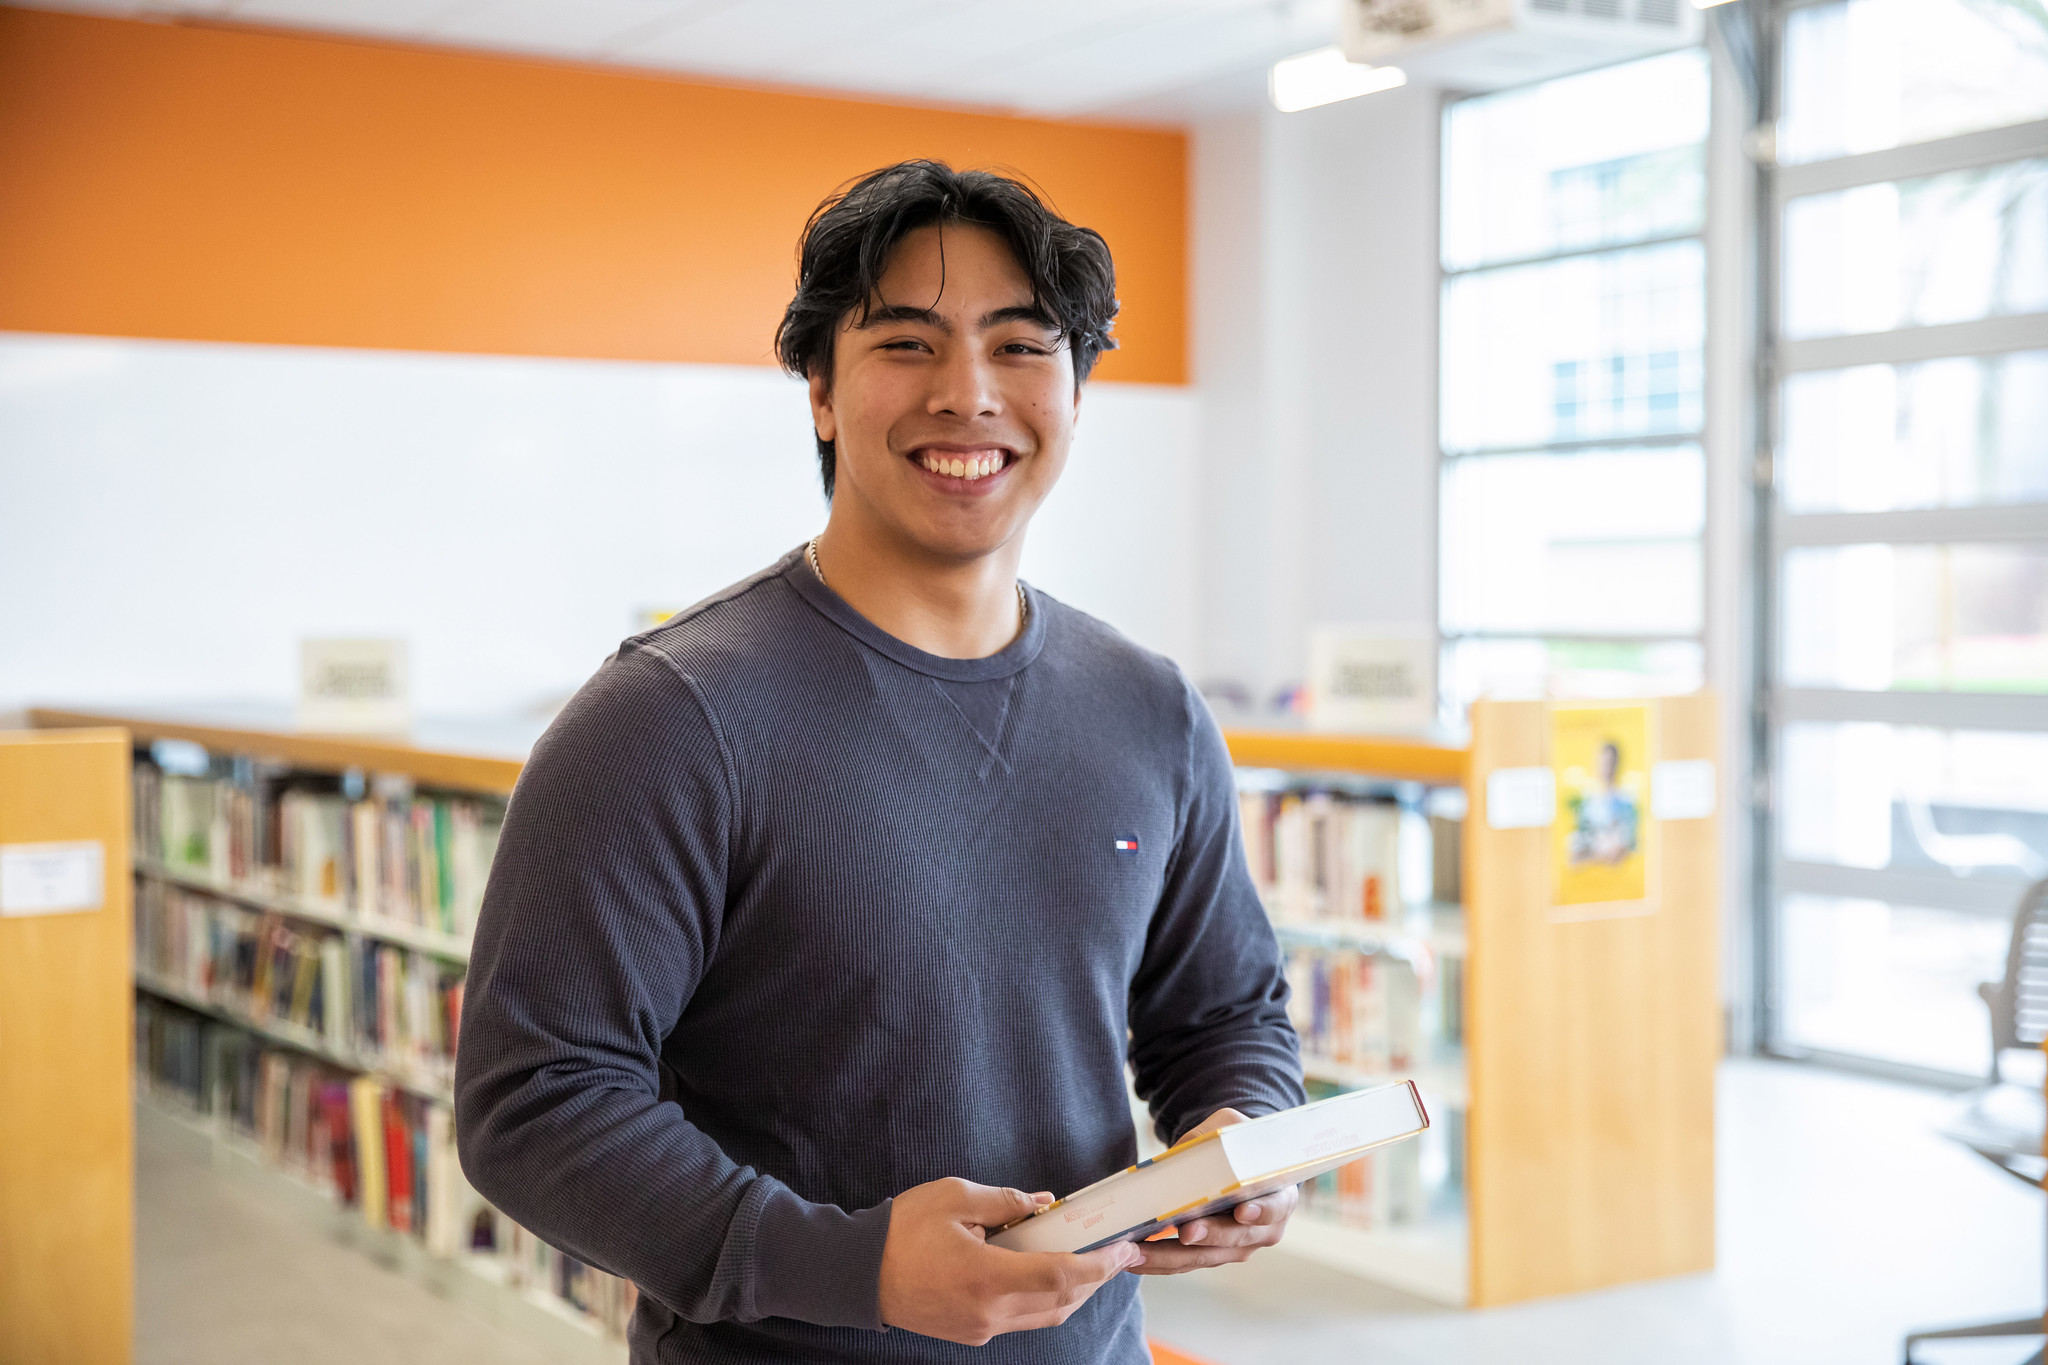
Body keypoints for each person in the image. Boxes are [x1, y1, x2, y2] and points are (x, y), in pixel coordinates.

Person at [454, 159, 1305, 1364]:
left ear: (1073, 390)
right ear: (818, 388)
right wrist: (851, 1266)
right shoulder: (666, 717)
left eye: (1021, 347)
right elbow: (534, 1104)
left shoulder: (1148, 708)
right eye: (907, 344)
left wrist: (1249, 1139)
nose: (968, 396)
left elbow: (1223, 1010)